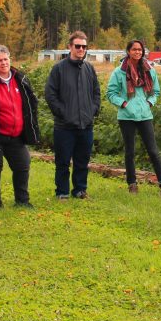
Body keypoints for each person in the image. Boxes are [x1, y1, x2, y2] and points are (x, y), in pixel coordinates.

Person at [106, 40, 161, 196]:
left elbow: (155, 92)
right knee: (130, 151)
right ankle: (132, 184)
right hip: (126, 116)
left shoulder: (149, 70)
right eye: (134, 49)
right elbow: (111, 93)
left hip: (145, 115)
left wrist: (149, 103)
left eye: (140, 49)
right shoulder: (119, 72)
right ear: (128, 51)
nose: (137, 52)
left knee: (153, 150)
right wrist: (124, 104)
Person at [0, 44, 40, 208]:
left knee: (22, 165)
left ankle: (22, 200)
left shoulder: (21, 79)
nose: (4, 63)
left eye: (6, 59)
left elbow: (31, 103)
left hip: (17, 135)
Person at [44, 31, 101, 199]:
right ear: (70, 47)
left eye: (84, 47)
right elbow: (50, 95)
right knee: (62, 162)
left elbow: (96, 92)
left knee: (82, 161)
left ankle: (80, 190)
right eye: (78, 46)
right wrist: (63, 113)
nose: (81, 49)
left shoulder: (89, 69)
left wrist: (93, 111)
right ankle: (62, 192)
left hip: (86, 124)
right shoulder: (58, 69)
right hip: (64, 126)